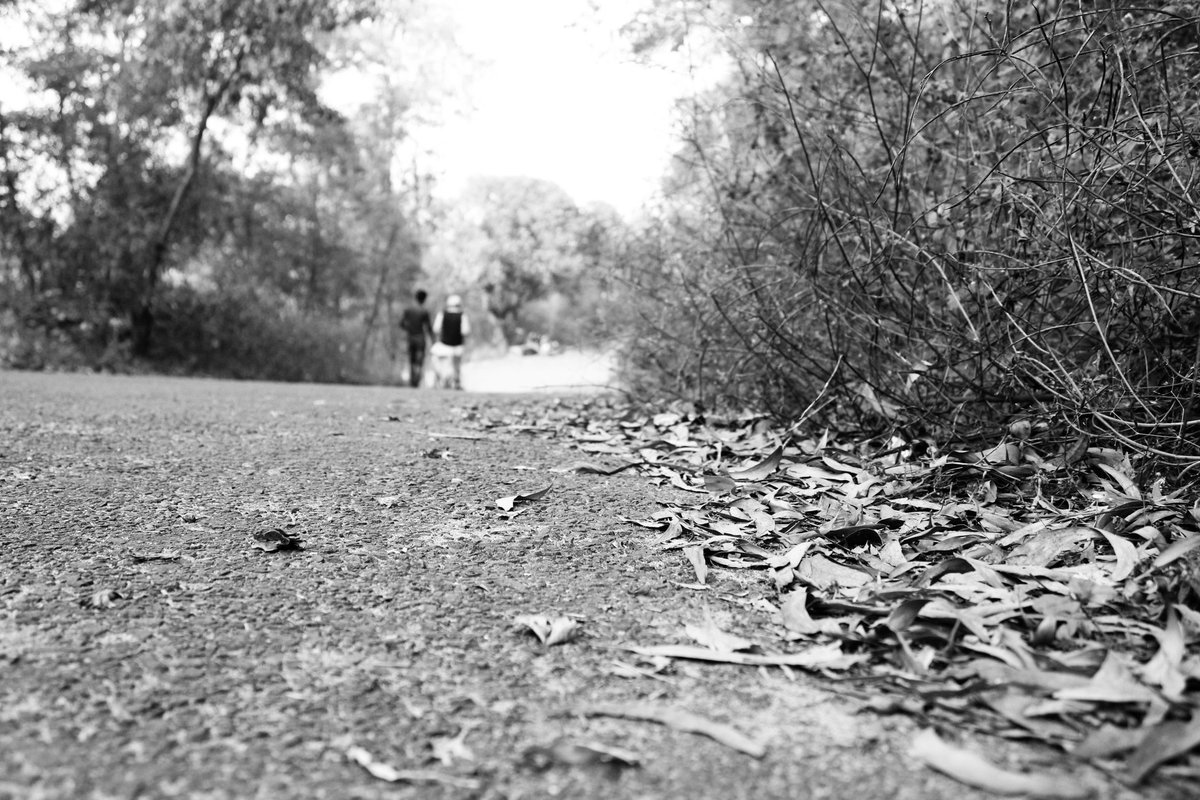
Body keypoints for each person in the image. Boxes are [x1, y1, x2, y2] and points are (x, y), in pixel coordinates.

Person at [432, 294, 470, 389]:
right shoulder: (462, 315)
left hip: (444, 346)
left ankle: (441, 378)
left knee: (435, 356)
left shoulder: (442, 314)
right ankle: (456, 381)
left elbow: (436, 329)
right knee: (457, 366)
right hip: (458, 347)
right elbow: (466, 331)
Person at [399, 289, 434, 387]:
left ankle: (412, 380)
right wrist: (433, 340)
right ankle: (416, 379)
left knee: (412, 359)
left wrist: (409, 328)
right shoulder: (424, 311)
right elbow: (428, 327)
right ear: (424, 299)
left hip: (411, 337)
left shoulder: (408, 310)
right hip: (420, 338)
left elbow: (401, 324)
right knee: (419, 360)